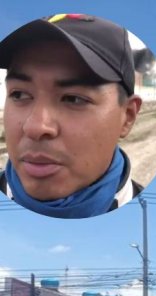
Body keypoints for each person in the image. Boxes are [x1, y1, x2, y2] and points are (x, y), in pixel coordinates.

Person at [0, 14, 143, 218]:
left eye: (73, 99)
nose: (35, 127)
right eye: (19, 94)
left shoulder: (147, 215)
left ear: (127, 117)